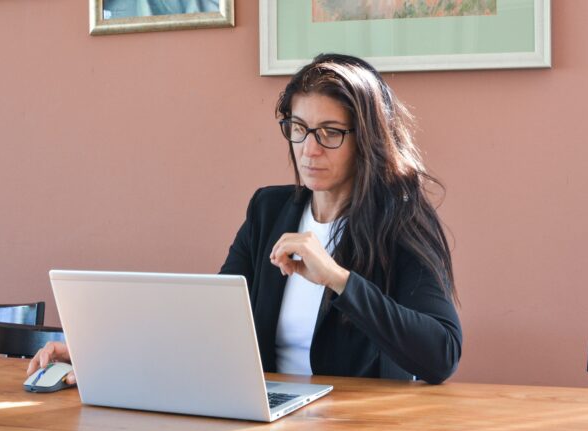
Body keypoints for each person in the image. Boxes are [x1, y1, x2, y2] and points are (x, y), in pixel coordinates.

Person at [28, 53, 462, 385]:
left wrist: (337, 278)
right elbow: (212, 323)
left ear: (366, 140)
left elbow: (440, 354)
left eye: (330, 132)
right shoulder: (269, 210)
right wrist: (101, 357)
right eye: (299, 128)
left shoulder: (400, 220)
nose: (309, 149)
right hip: (265, 420)